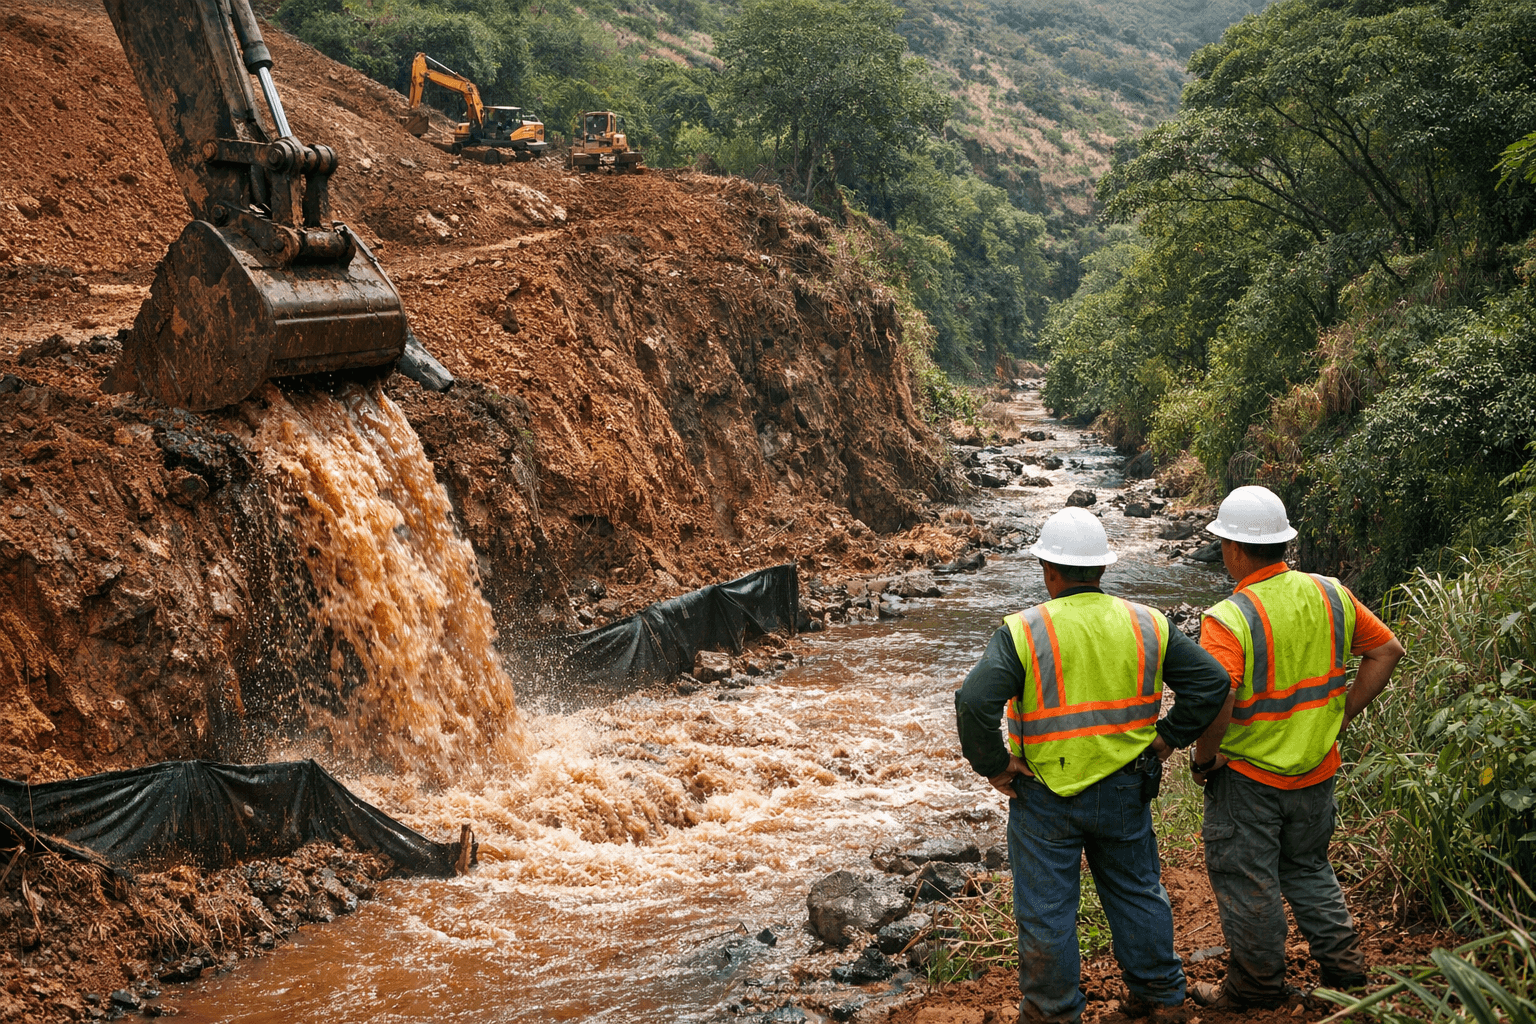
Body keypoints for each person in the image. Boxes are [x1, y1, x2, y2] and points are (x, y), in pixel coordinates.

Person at [956, 507, 1230, 1024]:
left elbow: (973, 702)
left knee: (1046, 910)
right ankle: (1160, 996)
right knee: (1136, 892)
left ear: (1048, 571)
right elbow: (1212, 682)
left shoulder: (1023, 631)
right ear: (1102, 568)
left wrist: (994, 765)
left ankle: (1053, 1012)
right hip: (1126, 789)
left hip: (1044, 794)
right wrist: (1168, 737)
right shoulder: (1148, 623)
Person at [1188, 486, 1404, 1010]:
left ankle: (1256, 988)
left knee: (1250, 882)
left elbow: (1219, 697)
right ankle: (1346, 974)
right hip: (1316, 769)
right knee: (1308, 869)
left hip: (1248, 780)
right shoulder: (1331, 593)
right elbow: (1387, 650)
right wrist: (1339, 717)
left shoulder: (1228, 618)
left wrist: (1203, 758)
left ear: (1233, 549)